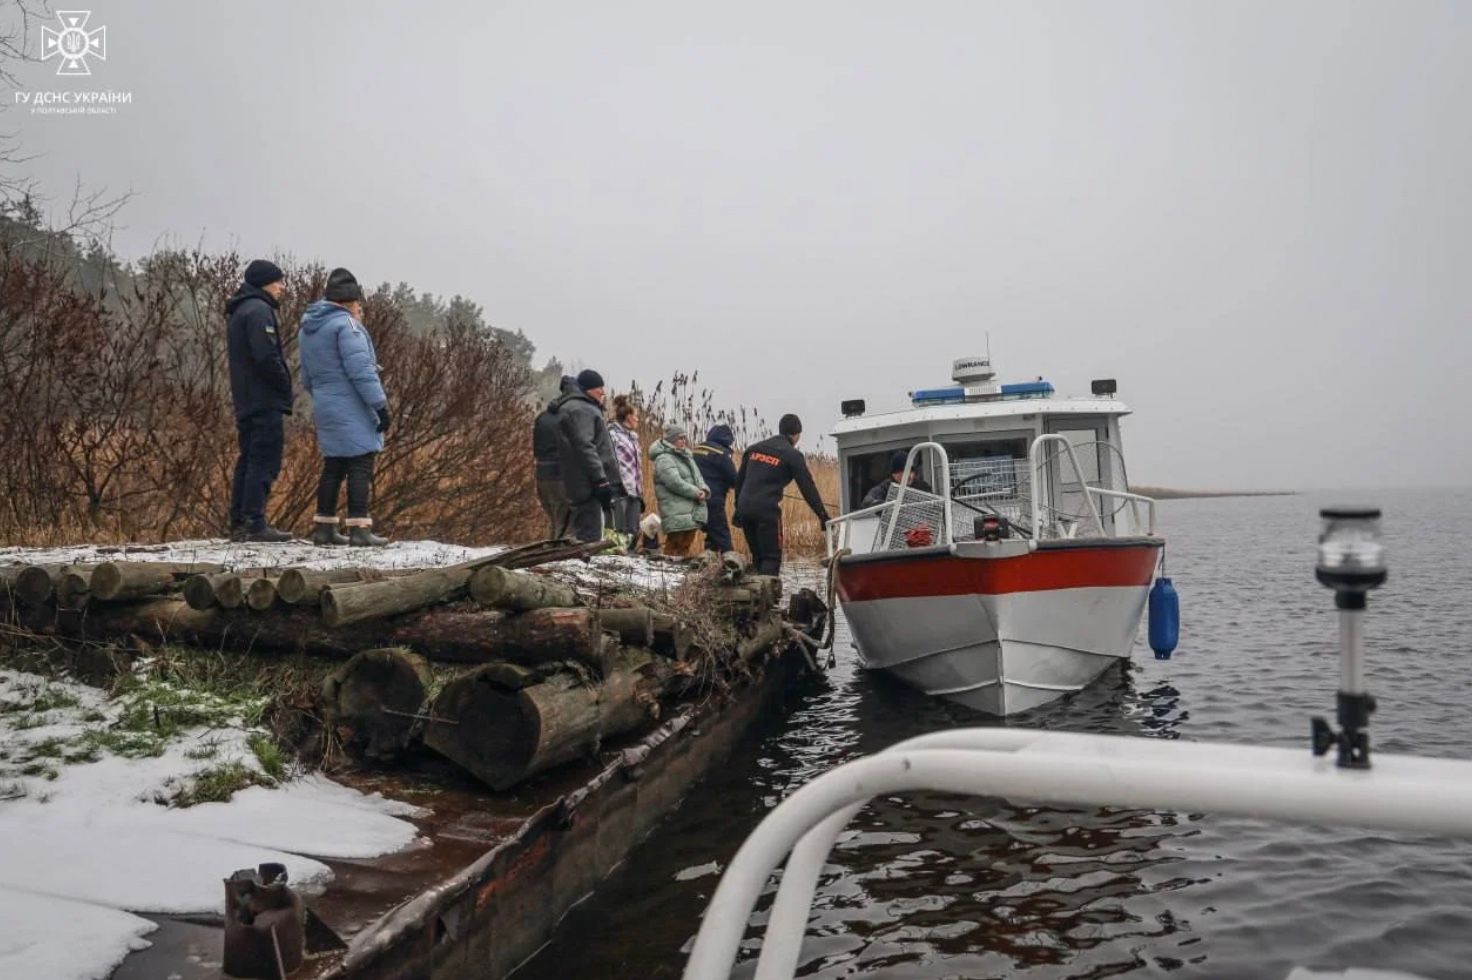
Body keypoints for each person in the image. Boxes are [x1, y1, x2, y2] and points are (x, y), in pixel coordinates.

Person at [298, 268, 391, 547]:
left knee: (334, 465)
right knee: (360, 463)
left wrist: (325, 397)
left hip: (325, 403)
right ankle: (359, 528)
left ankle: (324, 527)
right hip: (351, 404)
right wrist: (380, 405)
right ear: (350, 302)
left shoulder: (308, 329)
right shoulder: (347, 327)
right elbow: (361, 370)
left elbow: (306, 377)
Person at [226, 259, 294, 543]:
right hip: (262, 398)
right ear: (265, 282)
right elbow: (266, 357)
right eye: (278, 281)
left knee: (249, 457)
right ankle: (254, 520)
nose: (282, 287)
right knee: (264, 459)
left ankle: (241, 519)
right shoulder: (259, 311)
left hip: (246, 398)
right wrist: (283, 384)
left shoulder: (241, 309)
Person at [732, 414, 831, 576]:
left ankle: (756, 597)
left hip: (745, 509)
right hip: (767, 512)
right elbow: (808, 488)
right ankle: (769, 599)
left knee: (757, 557)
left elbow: (739, 482)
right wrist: (822, 515)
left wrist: (738, 509)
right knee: (771, 559)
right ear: (796, 434)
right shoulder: (793, 456)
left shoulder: (754, 449)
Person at [554, 369, 623, 543]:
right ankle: (585, 563)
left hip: (583, 480)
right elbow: (585, 446)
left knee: (586, 527)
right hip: (587, 483)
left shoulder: (579, 407)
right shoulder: (582, 409)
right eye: (599, 388)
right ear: (589, 389)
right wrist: (600, 480)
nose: (603, 392)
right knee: (589, 532)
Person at [651, 425, 710, 557]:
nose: (684, 441)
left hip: (690, 510)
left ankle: (679, 575)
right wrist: (696, 492)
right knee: (673, 545)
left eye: (685, 438)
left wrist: (704, 490)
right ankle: (666, 574)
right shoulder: (664, 458)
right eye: (680, 438)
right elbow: (674, 482)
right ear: (671, 440)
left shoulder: (687, 456)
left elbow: (698, 477)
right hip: (675, 510)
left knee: (685, 545)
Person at [533, 376, 576, 538]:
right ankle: (558, 557)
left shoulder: (543, 417)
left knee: (555, 519)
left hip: (542, 474)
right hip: (561, 474)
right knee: (565, 522)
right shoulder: (569, 416)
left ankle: (550, 552)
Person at [693, 424, 738, 553]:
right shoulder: (721, 454)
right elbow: (734, 480)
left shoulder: (696, 450)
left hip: (694, 497)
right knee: (722, 535)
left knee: (712, 534)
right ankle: (730, 562)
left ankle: (708, 560)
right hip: (713, 499)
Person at [607, 395, 644, 550]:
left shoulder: (633, 438)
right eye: (636, 416)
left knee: (633, 531)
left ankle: (630, 558)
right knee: (619, 530)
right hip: (620, 487)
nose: (637, 420)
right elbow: (609, 460)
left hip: (634, 489)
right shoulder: (612, 435)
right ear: (628, 417)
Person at [860, 450, 933, 509]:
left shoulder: (922, 486)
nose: (910, 476)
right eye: (904, 473)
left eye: (911, 472)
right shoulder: (885, 487)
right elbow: (867, 501)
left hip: (920, 526)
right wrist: (883, 505)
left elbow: (934, 502)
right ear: (894, 474)